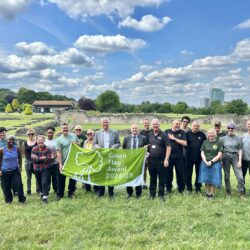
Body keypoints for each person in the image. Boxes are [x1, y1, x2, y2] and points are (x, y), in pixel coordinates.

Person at [94, 117, 120, 198]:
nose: (105, 124)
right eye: (103, 122)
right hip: (101, 157)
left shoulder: (115, 132)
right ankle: (101, 192)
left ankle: (111, 192)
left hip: (111, 157)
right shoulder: (97, 133)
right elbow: (94, 143)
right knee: (101, 174)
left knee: (111, 174)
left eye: (106, 122)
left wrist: (114, 147)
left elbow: (118, 143)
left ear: (109, 123)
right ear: (101, 123)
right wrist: (97, 146)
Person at [147, 119, 171, 201]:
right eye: (153, 124)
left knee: (161, 179)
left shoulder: (164, 135)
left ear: (159, 125)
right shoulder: (150, 134)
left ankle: (161, 195)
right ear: (151, 125)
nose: (155, 126)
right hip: (151, 161)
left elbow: (168, 147)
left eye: (156, 124)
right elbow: (148, 146)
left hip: (161, 161)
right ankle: (152, 195)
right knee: (152, 178)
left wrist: (166, 159)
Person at [123, 124, 147, 198]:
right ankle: (129, 193)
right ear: (131, 130)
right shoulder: (126, 138)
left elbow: (146, 149)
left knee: (138, 176)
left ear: (138, 130)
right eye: (133, 129)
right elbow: (124, 149)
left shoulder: (143, 138)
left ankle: (138, 193)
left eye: (136, 129)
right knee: (128, 176)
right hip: (129, 161)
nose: (134, 130)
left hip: (139, 161)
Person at [221, 123, 245, 197]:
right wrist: (221, 160)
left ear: (234, 129)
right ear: (227, 129)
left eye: (232, 128)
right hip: (225, 157)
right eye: (229, 128)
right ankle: (228, 192)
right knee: (227, 176)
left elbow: (240, 150)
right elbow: (221, 150)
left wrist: (240, 161)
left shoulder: (238, 138)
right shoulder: (223, 139)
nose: (230, 129)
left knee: (240, 176)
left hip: (235, 157)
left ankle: (241, 192)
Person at [0, 135, 26, 204]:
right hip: (5, 171)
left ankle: (22, 200)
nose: (11, 141)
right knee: (6, 186)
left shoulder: (16, 148)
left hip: (15, 170)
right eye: (9, 140)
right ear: (6, 141)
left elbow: (20, 158)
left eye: (12, 140)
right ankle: (8, 201)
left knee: (19, 184)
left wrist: (20, 167)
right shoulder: (2, 150)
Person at [198, 129, 223, 199]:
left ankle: (211, 194)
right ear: (207, 135)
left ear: (215, 134)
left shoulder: (219, 142)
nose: (211, 135)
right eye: (209, 133)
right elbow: (202, 152)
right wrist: (205, 161)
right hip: (205, 163)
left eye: (212, 133)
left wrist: (211, 161)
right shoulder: (205, 142)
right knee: (206, 179)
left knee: (213, 179)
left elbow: (219, 154)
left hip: (215, 163)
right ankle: (207, 193)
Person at [56, 123, 79, 199]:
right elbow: (58, 153)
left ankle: (71, 193)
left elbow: (79, 143)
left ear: (68, 128)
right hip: (63, 162)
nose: (65, 129)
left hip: (73, 161)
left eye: (66, 128)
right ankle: (60, 194)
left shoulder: (74, 135)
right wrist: (60, 164)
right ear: (61, 129)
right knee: (61, 179)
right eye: (64, 128)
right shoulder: (59, 140)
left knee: (72, 179)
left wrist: (76, 143)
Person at [165, 120, 187, 193]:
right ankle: (168, 188)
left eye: (179, 124)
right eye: (176, 124)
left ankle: (181, 189)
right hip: (169, 157)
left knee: (180, 173)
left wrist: (174, 139)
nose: (178, 125)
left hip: (179, 157)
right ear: (172, 124)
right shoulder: (166, 132)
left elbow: (185, 143)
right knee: (168, 173)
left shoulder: (182, 132)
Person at [186, 121, 206, 192]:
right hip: (189, 157)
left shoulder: (202, 135)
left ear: (199, 127)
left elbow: (205, 145)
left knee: (199, 173)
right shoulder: (187, 134)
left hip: (199, 157)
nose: (195, 127)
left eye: (197, 126)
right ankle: (189, 187)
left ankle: (198, 187)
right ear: (192, 126)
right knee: (188, 173)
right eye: (194, 125)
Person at [31, 135, 52, 204]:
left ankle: (45, 197)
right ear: (36, 141)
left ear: (44, 140)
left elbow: (48, 159)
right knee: (39, 182)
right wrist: (41, 158)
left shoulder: (48, 149)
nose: (40, 141)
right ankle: (42, 193)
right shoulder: (34, 149)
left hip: (45, 169)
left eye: (41, 140)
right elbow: (33, 159)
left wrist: (38, 158)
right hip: (36, 169)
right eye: (38, 140)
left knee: (44, 182)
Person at [24, 128, 39, 195]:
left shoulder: (37, 142)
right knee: (28, 177)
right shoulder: (25, 142)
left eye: (32, 134)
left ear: (34, 134)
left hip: (35, 161)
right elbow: (24, 151)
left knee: (37, 176)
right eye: (29, 134)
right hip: (28, 162)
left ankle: (38, 189)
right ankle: (28, 190)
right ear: (27, 135)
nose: (31, 135)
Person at [82, 129, 98, 193]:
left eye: (91, 133)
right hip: (87, 161)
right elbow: (83, 150)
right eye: (88, 134)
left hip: (94, 160)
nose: (89, 135)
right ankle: (87, 188)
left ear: (93, 135)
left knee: (94, 175)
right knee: (86, 174)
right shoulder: (85, 142)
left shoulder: (96, 142)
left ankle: (96, 188)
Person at [45, 127, 59, 194]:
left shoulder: (56, 141)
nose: (50, 134)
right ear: (46, 133)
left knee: (55, 178)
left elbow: (58, 151)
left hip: (55, 163)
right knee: (47, 178)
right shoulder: (44, 142)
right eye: (48, 133)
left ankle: (56, 190)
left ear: (53, 133)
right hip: (46, 163)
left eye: (51, 133)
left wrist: (53, 157)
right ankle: (47, 190)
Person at [140, 118, 152, 189]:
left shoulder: (153, 131)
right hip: (144, 154)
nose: (146, 124)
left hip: (153, 154)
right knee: (144, 170)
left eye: (147, 123)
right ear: (143, 124)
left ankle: (152, 184)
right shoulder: (141, 132)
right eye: (145, 123)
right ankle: (144, 184)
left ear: (149, 123)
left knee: (152, 171)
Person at [242, 120, 250, 185]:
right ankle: (242, 189)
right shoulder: (243, 136)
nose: (249, 125)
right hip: (244, 159)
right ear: (246, 125)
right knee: (242, 176)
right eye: (248, 124)